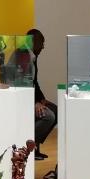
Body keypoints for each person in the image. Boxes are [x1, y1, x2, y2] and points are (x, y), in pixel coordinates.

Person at [26, 29, 57, 160]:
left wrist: (42, 99)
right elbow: (23, 86)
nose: (43, 46)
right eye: (42, 43)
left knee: (55, 110)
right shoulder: (22, 56)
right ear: (35, 42)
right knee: (48, 116)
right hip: (22, 102)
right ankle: (27, 148)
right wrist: (35, 103)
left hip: (31, 99)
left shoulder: (32, 55)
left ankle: (35, 147)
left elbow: (34, 82)